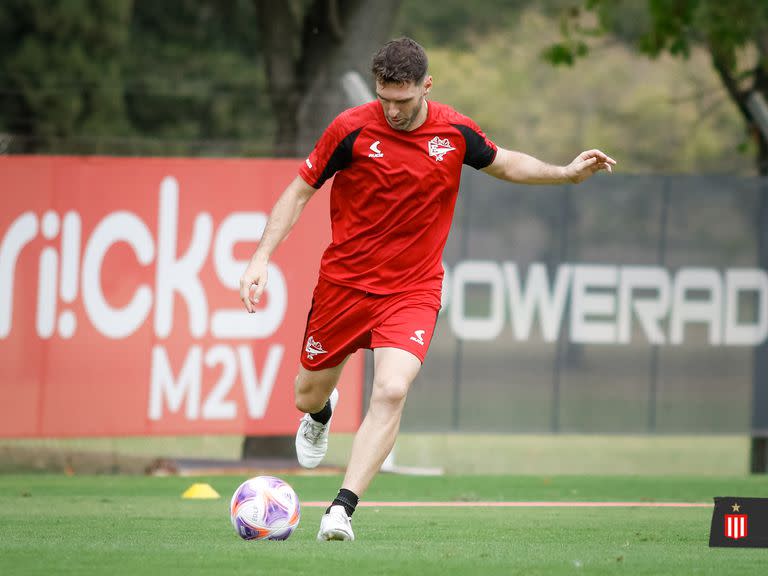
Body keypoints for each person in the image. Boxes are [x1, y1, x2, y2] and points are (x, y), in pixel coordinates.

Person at [239, 37, 616, 541]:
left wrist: (565, 173)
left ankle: (341, 510)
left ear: (426, 86)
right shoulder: (349, 129)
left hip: (413, 290)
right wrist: (262, 256)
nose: (392, 110)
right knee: (306, 395)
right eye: (384, 99)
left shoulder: (454, 131)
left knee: (392, 388)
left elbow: (504, 161)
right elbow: (300, 190)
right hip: (344, 287)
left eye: (404, 99)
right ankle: (320, 415)